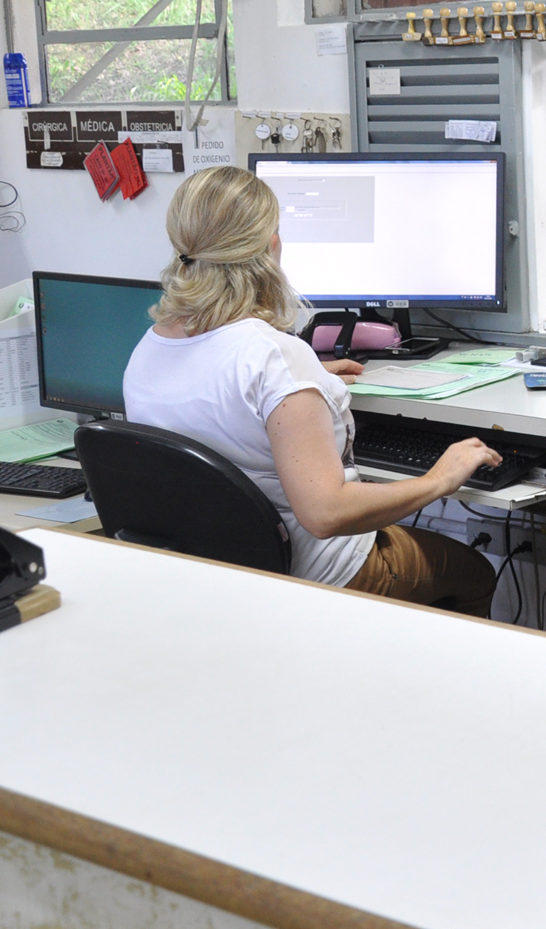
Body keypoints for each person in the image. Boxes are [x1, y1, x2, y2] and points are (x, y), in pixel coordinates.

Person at [122, 165, 501, 616]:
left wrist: (306, 383)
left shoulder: (151, 345)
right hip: (318, 576)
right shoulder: (273, 357)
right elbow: (326, 514)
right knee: (473, 573)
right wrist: (438, 479)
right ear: (269, 246)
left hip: (221, 575)